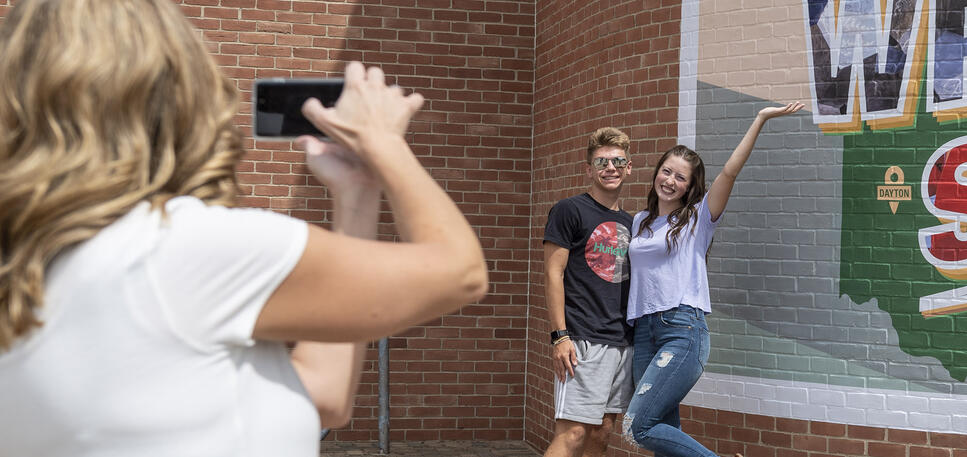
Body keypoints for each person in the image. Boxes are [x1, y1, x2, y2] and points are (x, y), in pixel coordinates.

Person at [0, 0, 487, 455]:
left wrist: (356, 195)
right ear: (175, 94)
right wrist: (384, 145)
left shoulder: (27, 257)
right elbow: (459, 271)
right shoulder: (178, 247)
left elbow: (323, 394)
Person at [622, 101, 804, 457]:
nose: (670, 181)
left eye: (680, 177)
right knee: (664, 435)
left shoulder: (698, 218)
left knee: (638, 426)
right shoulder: (640, 221)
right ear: (657, 172)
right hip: (644, 333)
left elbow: (730, 172)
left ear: (691, 186)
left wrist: (760, 118)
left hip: (681, 330)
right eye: (666, 171)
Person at [542, 128, 636, 457]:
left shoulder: (631, 222)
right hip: (581, 339)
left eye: (617, 161)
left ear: (628, 167)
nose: (610, 167)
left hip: (621, 341)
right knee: (573, 434)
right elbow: (554, 273)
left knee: (603, 432)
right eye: (601, 162)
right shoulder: (569, 210)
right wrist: (560, 336)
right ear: (588, 169)